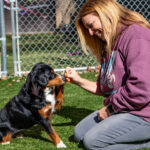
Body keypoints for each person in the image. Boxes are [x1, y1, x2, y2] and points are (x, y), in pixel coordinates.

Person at [65, 0, 150, 149]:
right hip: (125, 109)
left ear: (105, 14)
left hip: (144, 113)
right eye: (87, 29)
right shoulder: (109, 43)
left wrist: (110, 110)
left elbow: (142, 89)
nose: (90, 33)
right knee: (79, 133)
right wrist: (78, 80)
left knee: (93, 141)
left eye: (91, 25)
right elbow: (105, 88)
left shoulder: (136, 34)